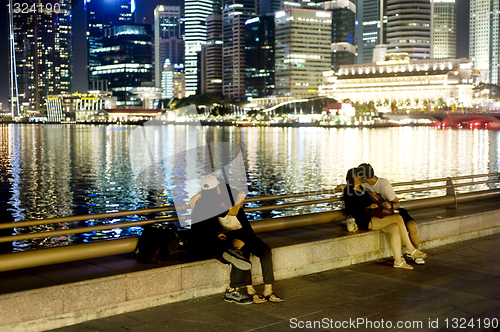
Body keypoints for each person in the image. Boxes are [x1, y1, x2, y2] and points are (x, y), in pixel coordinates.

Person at [190, 174, 283, 304]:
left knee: (265, 251)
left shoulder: (227, 191)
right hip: (230, 235)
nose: (210, 194)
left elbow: (237, 200)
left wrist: (239, 198)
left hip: (244, 232)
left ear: (218, 187)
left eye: (211, 191)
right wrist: (198, 196)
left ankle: (268, 289)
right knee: (241, 254)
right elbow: (205, 220)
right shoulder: (209, 199)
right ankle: (250, 289)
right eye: (206, 192)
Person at [343, 168, 426, 270]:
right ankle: (410, 249)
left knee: (395, 228)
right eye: (358, 174)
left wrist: (373, 205)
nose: (361, 175)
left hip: (374, 217)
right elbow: (351, 210)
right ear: (354, 177)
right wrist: (367, 207)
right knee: (398, 218)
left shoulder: (363, 188)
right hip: (364, 220)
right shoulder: (348, 192)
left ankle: (398, 262)